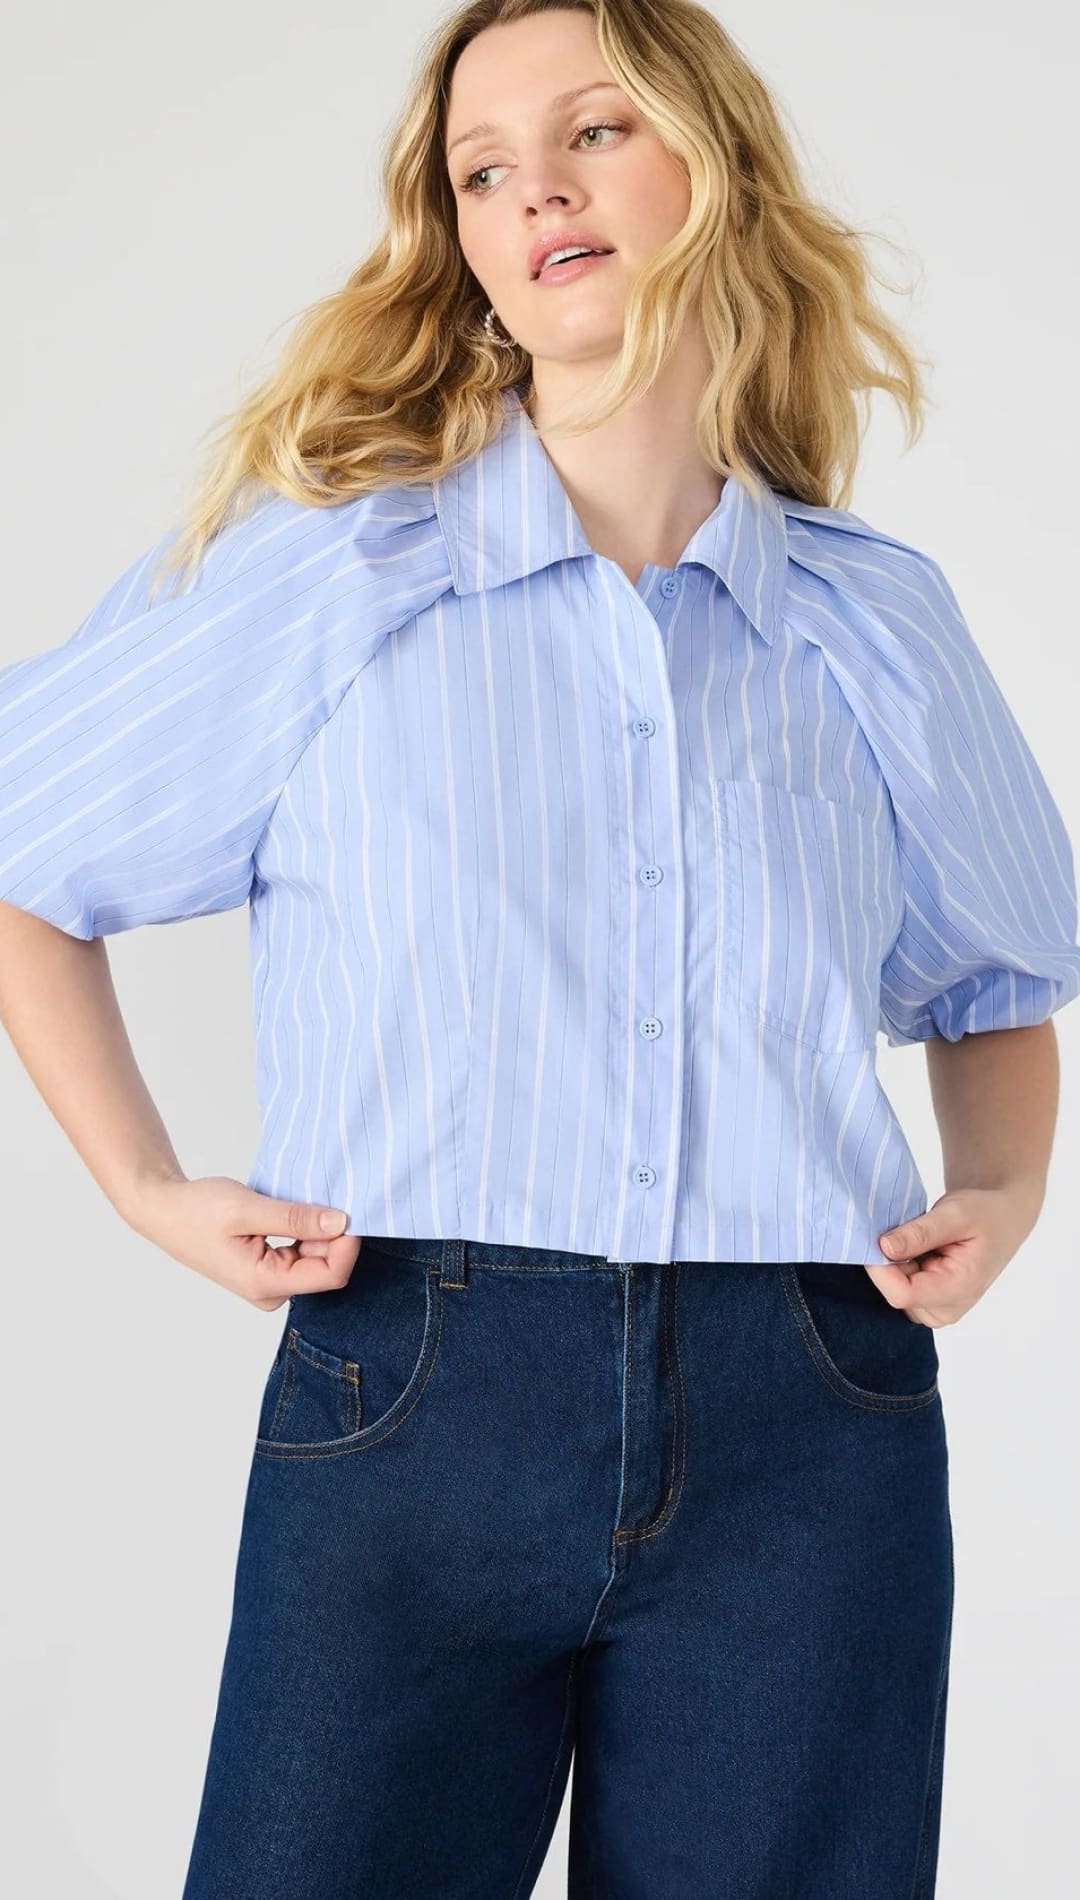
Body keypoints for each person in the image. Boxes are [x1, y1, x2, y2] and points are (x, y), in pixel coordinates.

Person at [1, 2, 1077, 1894]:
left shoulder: (873, 619)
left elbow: (994, 989)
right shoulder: (335, 568)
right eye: (483, 170)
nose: (536, 192)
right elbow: (25, 855)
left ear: (713, 166)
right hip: (416, 1382)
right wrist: (147, 1185)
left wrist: (1001, 1188)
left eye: (593, 132)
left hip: (809, 1415)